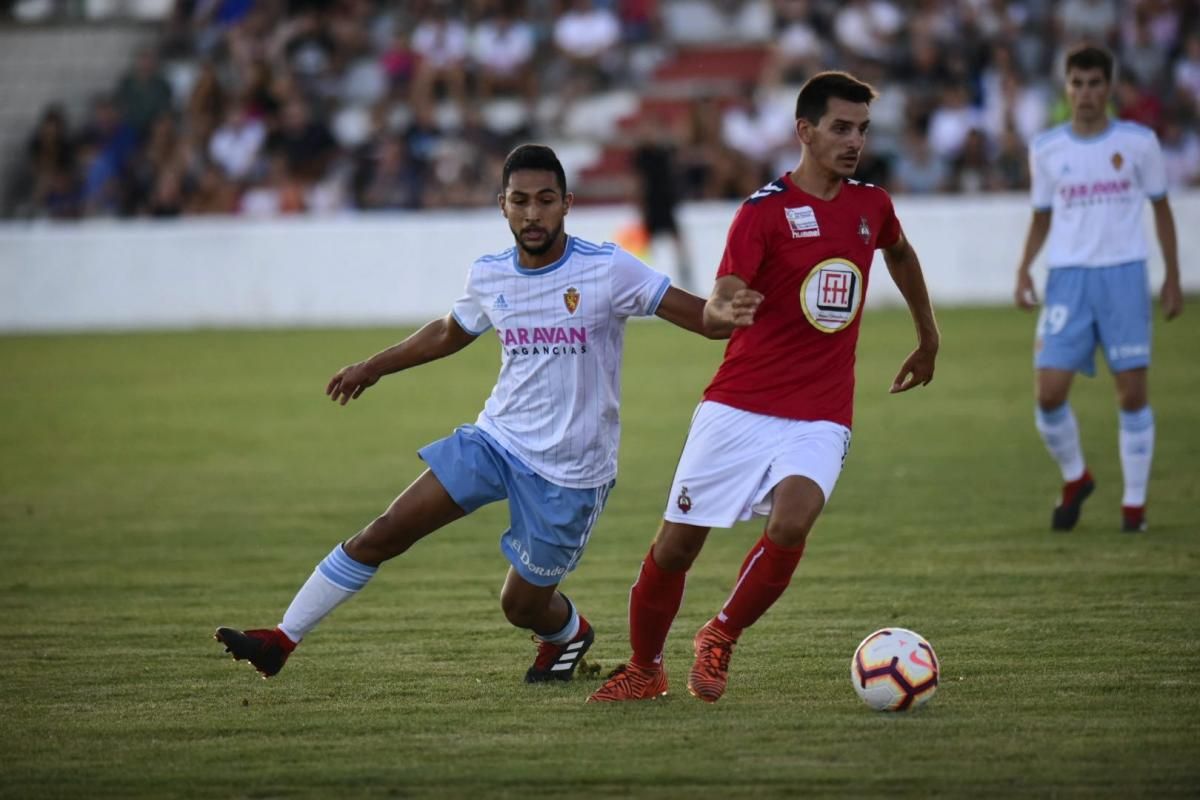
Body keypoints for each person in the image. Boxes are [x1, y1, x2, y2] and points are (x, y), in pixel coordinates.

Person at [215, 144, 736, 683]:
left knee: (522, 606)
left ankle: (569, 635)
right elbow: (449, 331)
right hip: (496, 440)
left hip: (571, 472)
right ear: (502, 206)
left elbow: (705, 319)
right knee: (387, 530)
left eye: (545, 200)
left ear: (567, 205)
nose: (532, 214)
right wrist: (374, 365)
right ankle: (281, 639)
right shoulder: (490, 275)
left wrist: (756, 306)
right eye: (520, 201)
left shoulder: (607, 268)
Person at [587, 71, 940, 704]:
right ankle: (645, 667)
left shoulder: (872, 206)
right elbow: (723, 293)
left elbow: (901, 254)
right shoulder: (764, 213)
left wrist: (928, 336)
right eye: (840, 127)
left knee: (792, 522)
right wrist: (723, 313)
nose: (854, 140)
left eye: (861, 129)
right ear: (804, 131)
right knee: (675, 547)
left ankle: (720, 634)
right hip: (738, 405)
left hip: (820, 411)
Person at [1013, 45, 1183, 535]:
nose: (1085, 93)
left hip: (1125, 276)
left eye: (1094, 83)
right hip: (1067, 279)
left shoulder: (1138, 143)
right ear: (1067, 89)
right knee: (1048, 393)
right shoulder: (1046, 149)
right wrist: (1024, 268)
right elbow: (1042, 217)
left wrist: (1172, 275)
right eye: (1077, 83)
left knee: (1131, 395)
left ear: (1108, 88)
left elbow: (1161, 207)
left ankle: (1134, 508)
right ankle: (1076, 476)